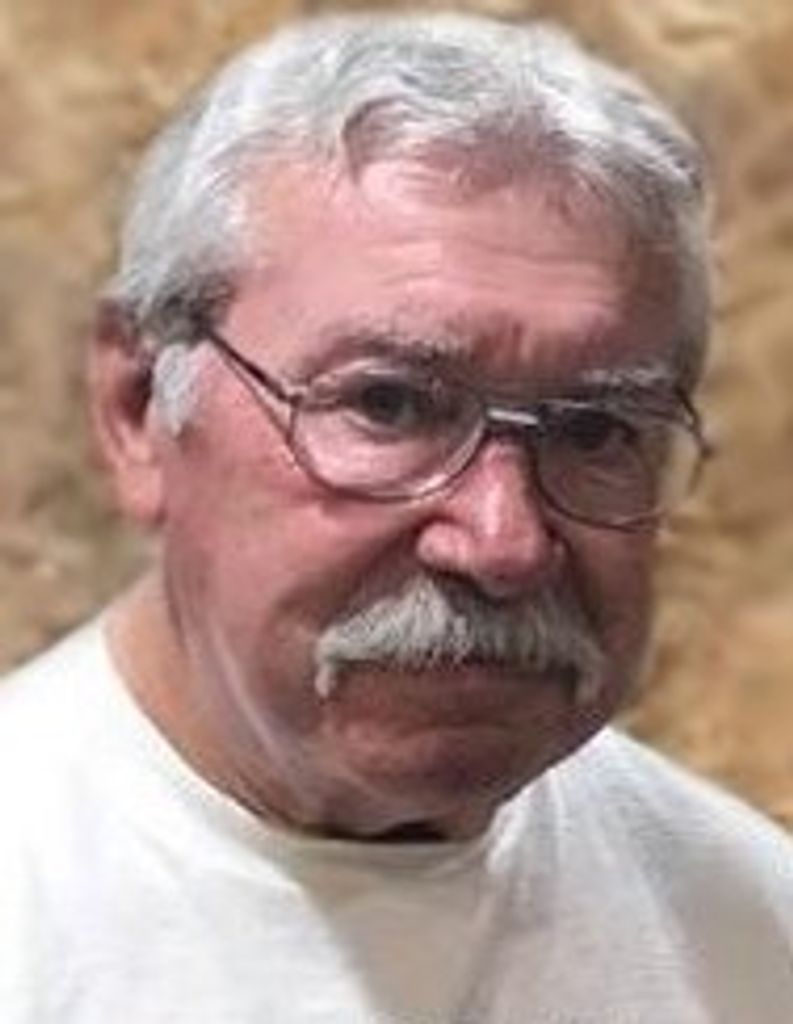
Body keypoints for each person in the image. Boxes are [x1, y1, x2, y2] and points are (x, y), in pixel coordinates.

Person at [2, 9, 792, 1022]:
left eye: (595, 429)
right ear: (139, 407)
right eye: (389, 405)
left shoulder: (749, 932)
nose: (503, 540)